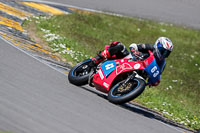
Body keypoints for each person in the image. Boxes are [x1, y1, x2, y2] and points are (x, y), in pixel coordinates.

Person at [90, 37, 174, 86]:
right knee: (119, 46)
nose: (163, 54)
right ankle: (97, 59)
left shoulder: (162, 63)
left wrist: (154, 82)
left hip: (139, 72)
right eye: (162, 50)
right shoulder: (149, 47)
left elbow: (158, 74)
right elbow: (133, 45)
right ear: (157, 45)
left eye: (167, 53)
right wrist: (134, 51)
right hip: (128, 59)